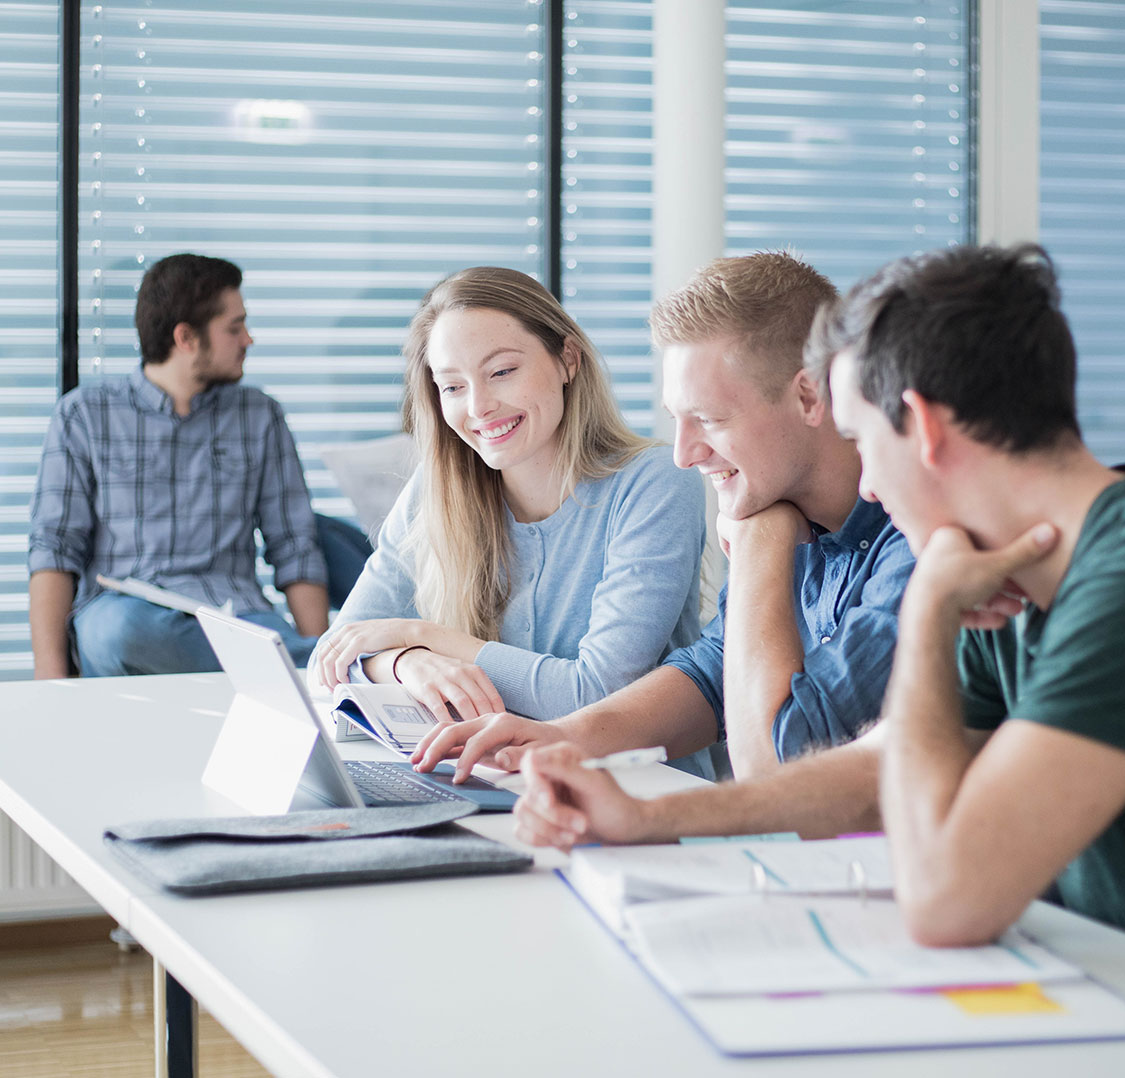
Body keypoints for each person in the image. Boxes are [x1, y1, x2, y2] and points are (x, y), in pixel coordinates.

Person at [508, 245, 1125, 1046]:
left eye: (861, 441)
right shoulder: (1000, 568)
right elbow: (870, 767)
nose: (867, 487)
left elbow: (947, 900)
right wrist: (646, 818)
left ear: (921, 427)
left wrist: (924, 617)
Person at [411, 252, 915, 780]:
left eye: (709, 419)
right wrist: (563, 738)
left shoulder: (911, 541)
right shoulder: (789, 512)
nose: (684, 454)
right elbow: (709, 675)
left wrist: (758, 545)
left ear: (810, 396)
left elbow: (778, 764)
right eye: (677, 419)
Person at [309, 266, 706, 729]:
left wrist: (421, 636)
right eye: (454, 386)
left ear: (568, 360)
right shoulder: (434, 491)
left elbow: (596, 693)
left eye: (501, 371)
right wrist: (406, 663)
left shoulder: (655, 481)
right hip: (490, 774)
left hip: (636, 782)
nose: (479, 407)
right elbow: (331, 657)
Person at [28, 253, 329, 677]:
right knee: (122, 633)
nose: (248, 340)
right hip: (123, 613)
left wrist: (320, 664)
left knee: (273, 643)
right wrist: (51, 680)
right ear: (186, 338)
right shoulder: (83, 415)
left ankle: (309, 665)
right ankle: (293, 665)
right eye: (234, 327)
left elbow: (295, 545)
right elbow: (55, 551)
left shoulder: (260, 416)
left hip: (235, 614)